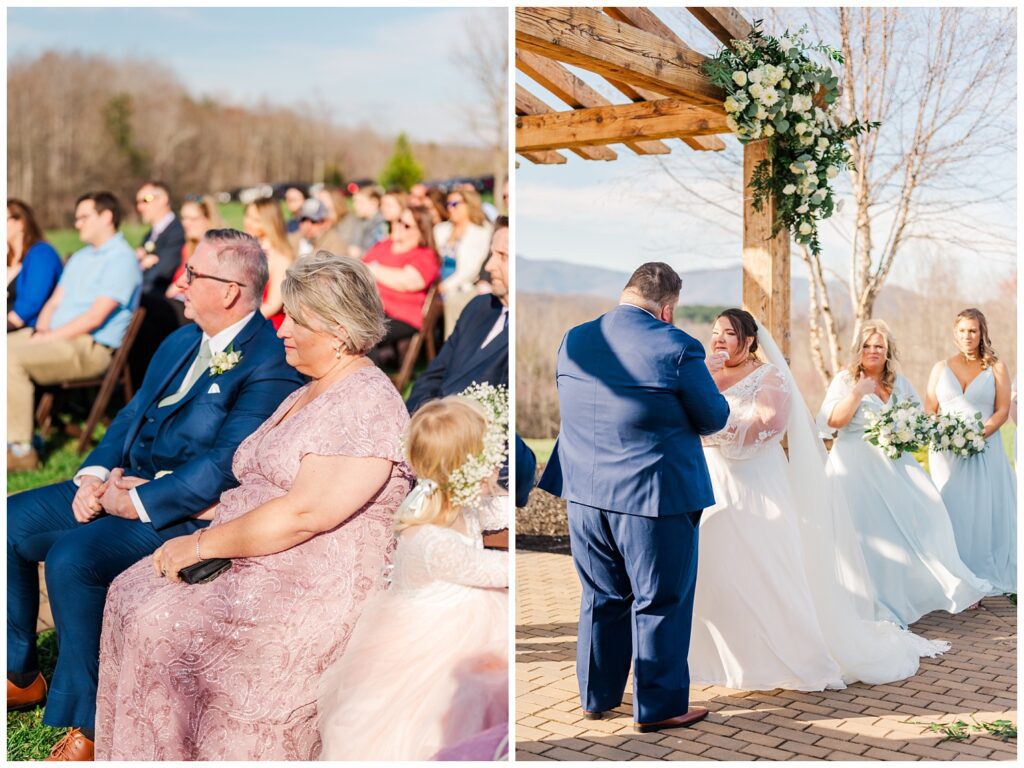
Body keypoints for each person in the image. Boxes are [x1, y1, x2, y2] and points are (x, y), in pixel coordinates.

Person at [94, 251, 410, 761]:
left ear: (337, 331)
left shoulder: (366, 402)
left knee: (162, 623)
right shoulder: (313, 389)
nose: (280, 329)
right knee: (130, 593)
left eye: (296, 320)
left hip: (309, 580)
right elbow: (260, 481)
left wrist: (196, 545)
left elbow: (306, 514)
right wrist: (157, 498)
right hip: (258, 549)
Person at [7, 230, 304, 760]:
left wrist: (139, 501)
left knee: (74, 557)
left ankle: (94, 720)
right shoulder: (178, 340)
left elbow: (226, 464)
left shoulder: (268, 360)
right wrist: (93, 477)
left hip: (187, 513)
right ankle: (19, 669)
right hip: (121, 487)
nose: (180, 285)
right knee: (11, 519)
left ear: (232, 290)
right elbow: (130, 416)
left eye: (192, 275)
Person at [691, 310, 947, 692]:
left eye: (728, 333)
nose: (718, 339)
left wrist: (710, 433)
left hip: (757, 486)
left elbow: (768, 426)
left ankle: (777, 655)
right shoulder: (702, 374)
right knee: (713, 570)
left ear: (748, 341)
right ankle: (711, 654)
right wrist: (702, 388)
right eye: (714, 333)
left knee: (765, 568)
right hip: (712, 486)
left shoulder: (768, 376)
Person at [537, 262, 729, 733]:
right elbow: (713, 417)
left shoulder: (575, 338)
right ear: (667, 309)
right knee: (660, 600)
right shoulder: (678, 346)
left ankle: (596, 697)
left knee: (601, 595)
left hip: (583, 493)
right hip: (653, 497)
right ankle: (660, 707)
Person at [318, 390, 508, 760]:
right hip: (436, 641)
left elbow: (495, 512)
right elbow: (499, 570)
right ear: (468, 467)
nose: (496, 464)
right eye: (489, 455)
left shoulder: (446, 500)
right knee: (425, 729)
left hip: (440, 619)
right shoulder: (434, 540)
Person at [818, 319, 991, 628]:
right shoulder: (846, 380)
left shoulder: (899, 383)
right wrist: (858, 392)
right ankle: (867, 600)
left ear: (888, 352)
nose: (873, 351)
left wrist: (907, 431)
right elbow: (833, 422)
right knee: (867, 533)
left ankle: (941, 584)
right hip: (855, 467)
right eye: (867, 346)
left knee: (931, 512)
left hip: (894, 465)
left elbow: (917, 420)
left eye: (879, 347)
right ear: (859, 350)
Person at [7, 191, 141, 472]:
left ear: (106, 217)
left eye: (83, 217)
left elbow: (95, 317)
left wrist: (49, 337)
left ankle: (20, 450)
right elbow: (55, 300)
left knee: (8, 357)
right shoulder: (81, 258)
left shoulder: (122, 259)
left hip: (89, 348)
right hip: (57, 338)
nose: (77, 224)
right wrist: (42, 329)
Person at [925, 309, 1015, 593]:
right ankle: (951, 572)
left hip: (983, 448)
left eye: (973, 331)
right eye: (962, 331)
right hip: (945, 451)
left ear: (981, 333)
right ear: (955, 334)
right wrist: (945, 432)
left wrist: (978, 435)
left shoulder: (996, 368)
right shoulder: (940, 368)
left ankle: (978, 572)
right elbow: (930, 408)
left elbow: (1002, 410)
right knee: (949, 508)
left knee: (980, 510)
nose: (967, 336)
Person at [405, 216, 508, 413]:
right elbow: (433, 375)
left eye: (502, 256)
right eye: (491, 254)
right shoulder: (479, 307)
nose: (489, 266)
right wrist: (421, 416)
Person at [362, 205, 439, 364]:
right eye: (398, 221)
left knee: (363, 331)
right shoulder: (383, 246)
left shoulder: (425, 255)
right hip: (371, 309)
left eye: (406, 225)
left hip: (402, 315)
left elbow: (407, 282)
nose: (398, 226)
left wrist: (373, 269)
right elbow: (360, 268)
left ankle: (367, 383)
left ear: (421, 230)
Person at [131, 181, 189, 386]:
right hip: (151, 298)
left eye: (145, 200)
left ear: (164, 199)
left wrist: (144, 266)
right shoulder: (149, 235)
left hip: (170, 303)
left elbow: (163, 271)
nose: (140, 206)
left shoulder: (177, 231)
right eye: (137, 201)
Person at [434, 186, 492, 338]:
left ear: (469, 204)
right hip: (437, 282)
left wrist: (445, 287)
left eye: (455, 204)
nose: (450, 208)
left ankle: (450, 346)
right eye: (448, 204)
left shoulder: (481, 231)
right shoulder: (441, 230)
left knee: (454, 303)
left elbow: (471, 269)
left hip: (463, 286)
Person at [166, 195, 224, 325]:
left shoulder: (218, 249)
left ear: (208, 219)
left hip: (199, 309)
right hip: (181, 303)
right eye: (184, 218)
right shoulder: (188, 247)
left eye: (192, 219)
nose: (186, 224)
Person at [7, 198, 63, 332]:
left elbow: (31, 304)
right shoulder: (8, 258)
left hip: (28, 329)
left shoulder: (42, 254)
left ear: (20, 223)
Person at [243, 197, 295, 330]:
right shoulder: (245, 248)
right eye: (248, 216)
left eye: (256, 220)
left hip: (265, 325)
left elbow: (273, 304)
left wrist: (241, 322)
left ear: (270, 223)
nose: (249, 222)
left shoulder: (280, 257)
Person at [347, 186, 387, 258]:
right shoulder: (359, 221)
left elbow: (381, 252)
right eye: (354, 202)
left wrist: (360, 253)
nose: (355, 206)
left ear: (374, 202)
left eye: (359, 202)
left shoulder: (382, 224)